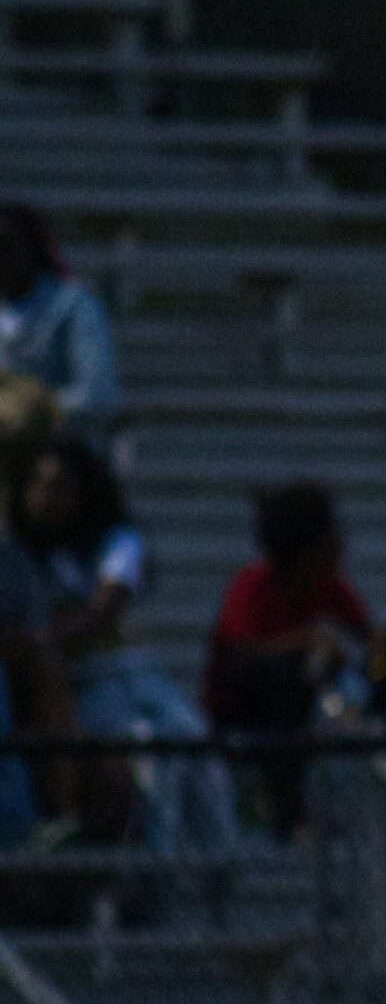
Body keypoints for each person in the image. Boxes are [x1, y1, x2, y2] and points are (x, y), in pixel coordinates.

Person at [6, 436, 236, 866]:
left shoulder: (117, 539)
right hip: (82, 685)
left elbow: (103, 612)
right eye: (38, 486)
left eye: (60, 486)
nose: (46, 499)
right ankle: (157, 875)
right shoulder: (17, 556)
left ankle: (222, 871)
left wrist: (40, 636)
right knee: (148, 761)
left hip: (131, 673)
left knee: (195, 748)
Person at [204, 483, 386, 838]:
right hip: (253, 713)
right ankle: (289, 814)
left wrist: (381, 652)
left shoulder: (332, 588)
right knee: (282, 678)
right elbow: (241, 655)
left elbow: (364, 644)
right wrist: (303, 641)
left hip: (323, 701)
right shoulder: (253, 587)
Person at [0, 205, 119, 437]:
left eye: (5, 248)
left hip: (59, 444)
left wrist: (33, 409)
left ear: (31, 249)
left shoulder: (73, 306)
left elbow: (99, 393)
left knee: (51, 471)